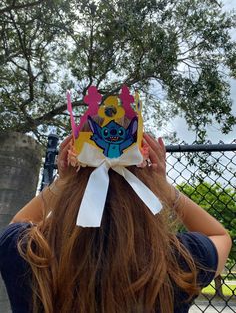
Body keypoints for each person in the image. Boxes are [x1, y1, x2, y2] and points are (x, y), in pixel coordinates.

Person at [0, 132, 232, 313]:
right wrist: (165, 188)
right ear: (146, 178)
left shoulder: (29, 254)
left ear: (71, 168)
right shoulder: (177, 259)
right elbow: (221, 236)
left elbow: (18, 223)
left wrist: (62, 182)